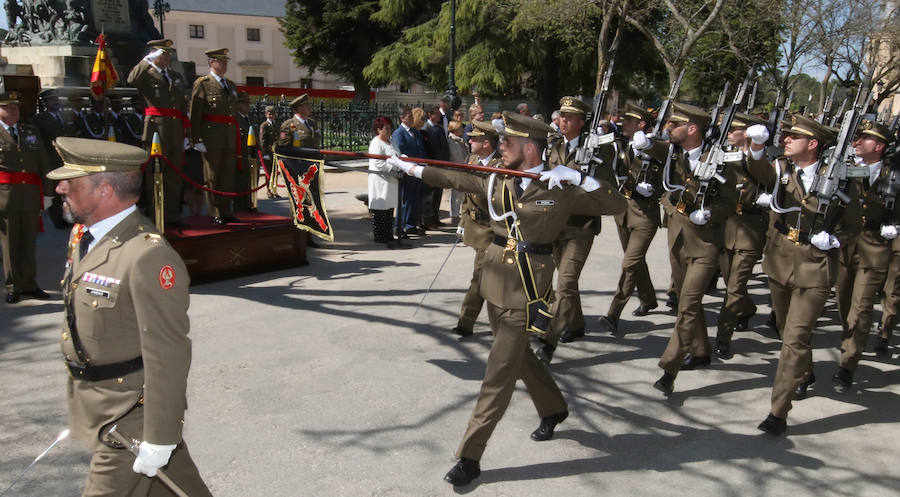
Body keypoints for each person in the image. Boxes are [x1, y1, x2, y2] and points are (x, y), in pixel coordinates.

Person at [389, 111, 626, 487]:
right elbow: (453, 175)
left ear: (529, 148)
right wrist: (409, 167)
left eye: (507, 143)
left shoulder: (557, 186)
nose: (500, 147)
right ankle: (554, 407)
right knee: (520, 358)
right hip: (495, 281)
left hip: (528, 289)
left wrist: (579, 177)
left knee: (497, 374)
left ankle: (469, 456)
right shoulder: (497, 177)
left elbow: (617, 205)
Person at [49, 137, 212, 496]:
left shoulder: (145, 256)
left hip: (129, 418)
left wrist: (159, 436)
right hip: (101, 405)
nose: (60, 187)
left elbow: (167, 351)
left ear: (104, 190)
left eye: (70, 181)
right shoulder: (86, 237)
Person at [634, 103, 740, 396]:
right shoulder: (674, 154)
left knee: (689, 304)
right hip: (678, 239)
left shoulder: (720, 160)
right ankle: (702, 351)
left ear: (692, 129)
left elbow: (730, 202)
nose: (669, 129)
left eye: (674, 125)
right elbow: (660, 158)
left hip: (706, 243)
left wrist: (710, 213)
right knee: (685, 302)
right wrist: (644, 143)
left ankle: (670, 368)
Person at [745, 115, 840, 436]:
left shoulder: (838, 178)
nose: (785, 140)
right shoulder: (783, 171)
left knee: (795, 338)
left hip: (814, 268)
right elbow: (757, 172)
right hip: (781, 261)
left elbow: (855, 221)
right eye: (785, 136)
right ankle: (806, 371)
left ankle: (778, 411)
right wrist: (756, 148)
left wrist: (834, 235)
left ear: (812, 144)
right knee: (787, 331)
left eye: (793, 136)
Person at [542, 97, 612, 350]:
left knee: (566, 282)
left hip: (580, 225)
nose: (563, 120)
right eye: (562, 115)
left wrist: (579, 178)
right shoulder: (552, 144)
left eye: (570, 117)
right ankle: (576, 323)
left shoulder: (598, 150)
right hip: (554, 223)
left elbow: (605, 187)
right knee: (564, 277)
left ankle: (552, 334)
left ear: (582, 123)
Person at [831, 120, 897, 388]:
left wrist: (895, 227)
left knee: (861, 308)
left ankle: (849, 361)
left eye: (865, 139)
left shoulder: (894, 175)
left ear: (879, 146)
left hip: (874, 247)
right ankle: (850, 340)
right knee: (844, 303)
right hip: (846, 245)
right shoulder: (848, 170)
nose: (857, 143)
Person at [599, 103, 662, 335]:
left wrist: (653, 191)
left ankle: (613, 314)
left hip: (645, 215)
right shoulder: (622, 146)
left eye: (628, 121)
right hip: (623, 211)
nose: (622, 124)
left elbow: (669, 179)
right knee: (636, 261)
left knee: (630, 263)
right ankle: (648, 299)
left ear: (641, 125)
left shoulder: (657, 148)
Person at [714, 112, 771, 359]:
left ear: (746, 133)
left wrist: (755, 149)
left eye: (733, 129)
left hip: (750, 228)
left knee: (735, 287)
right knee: (731, 282)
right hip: (726, 226)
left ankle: (722, 338)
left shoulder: (761, 159)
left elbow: (766, 175)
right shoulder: (723, 154)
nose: (727, 133)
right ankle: (747, 310)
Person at [127, 38, 189, 228]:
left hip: (175, 129)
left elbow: (181, 103)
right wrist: (146, 61)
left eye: (169, 54)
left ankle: (172, 215)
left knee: (174, 174)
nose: (167, 57)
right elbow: (131, 80)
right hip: (156, 128)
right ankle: (157, 214)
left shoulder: (175, 75)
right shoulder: (146, 73)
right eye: (163, 53)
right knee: (156, 173)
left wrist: (186, 131)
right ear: (154, 54)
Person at [0, 84, 53, 304]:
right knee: (10, 244)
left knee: (29, 242)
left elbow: (43, 161)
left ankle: (30, 283)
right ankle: (14, 286)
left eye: (16, 108)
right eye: (8, 108)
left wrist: (49, 192)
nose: (13, 112)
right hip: (6, 196)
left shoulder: (29, 131)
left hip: (30, 195)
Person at [451, 119, 502, 337]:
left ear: (487, 143)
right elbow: (465, 193)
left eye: (475, 138)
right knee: (490, 277)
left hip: (491, 230)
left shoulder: (500, 166)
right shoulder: (471, 158)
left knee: (480, 277)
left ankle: (466, 322)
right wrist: (463, 221)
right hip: (474, 226)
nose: (469, 141)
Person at [189, 47, 239, 225]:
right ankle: (215, 211)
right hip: (211, 138)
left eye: (226, 61)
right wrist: (196, 138)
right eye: (221, 61)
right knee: (212, 175)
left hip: (228, 137)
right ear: (211, 63)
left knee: (226, 175)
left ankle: (226, 210)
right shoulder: (203, 83)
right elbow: (195, 113)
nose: (224, 64)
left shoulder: (230, 85)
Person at [33, 87, 73, 229]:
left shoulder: (64, 116)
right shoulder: (39, 119)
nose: (55, 102)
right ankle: (58, 220)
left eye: (56, 99)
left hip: (66, 160)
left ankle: (67, 217)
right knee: (56, 192)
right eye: (51, 100)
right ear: (45, 103)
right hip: (51, 160)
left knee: (67, 190)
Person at [390, 106, 425, 237]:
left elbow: (420, 148)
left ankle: (410, 225)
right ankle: (399, 226)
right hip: (407, 169)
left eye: (411, 116)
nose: (411, 118)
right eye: (409, 116)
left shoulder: (415, 132)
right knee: (405, 200)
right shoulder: (399, 133)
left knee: (414, 199)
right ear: (402, 118)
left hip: (417, 169)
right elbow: (399, 151)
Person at [367, 116, 402, 249]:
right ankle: (380, 237)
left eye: (389, 128)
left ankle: (388, 235)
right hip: (381, 181)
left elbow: (397, 156)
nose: (389, 131)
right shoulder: (376, 143)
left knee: (389, 209)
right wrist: (393, 170)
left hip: (392, 181)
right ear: (378, 130)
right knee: (381, 209)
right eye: (386, 128)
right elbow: (378, 163)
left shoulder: (391, 142)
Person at [422, 105, 450, 228]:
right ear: (430, 115)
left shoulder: (439, 128)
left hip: (441, 165)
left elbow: (444, 146)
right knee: (429, 194)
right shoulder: (425, 129)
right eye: (436, 114)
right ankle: (427, 219)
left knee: (438, 193)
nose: (439, 116)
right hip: (431, 165)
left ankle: (435, 217)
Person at [233, 91, 253, 213]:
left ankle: (248, 205)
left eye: (248, 103)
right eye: (245, 103)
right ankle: (240, 209)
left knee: (248, 183)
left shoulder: (247, 119)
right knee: (239, 184)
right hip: (239, 158)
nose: (248, 106)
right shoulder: (236, 119)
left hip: (249, 158)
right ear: (238, 104)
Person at [447, 120, 468, 223]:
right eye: (460, 128)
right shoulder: (451, 141)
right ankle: (454, 215)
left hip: (463, 169)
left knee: (462, 194)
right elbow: (455, 156)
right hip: (456, 170)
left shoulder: (460, 140)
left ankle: (460, 213)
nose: (463, 130)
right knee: (456, 194)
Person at [260, 105, 281, 199]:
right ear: (266, 114)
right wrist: (264, 153)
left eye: (273, 114)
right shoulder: (264, 125)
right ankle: (269, 190)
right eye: (269, 114)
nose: (271, 115)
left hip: (275, 152)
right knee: (268, 172)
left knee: (275, 172)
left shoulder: (276, 124)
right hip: (268, 152)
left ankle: (274, 190)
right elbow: (262, 140)